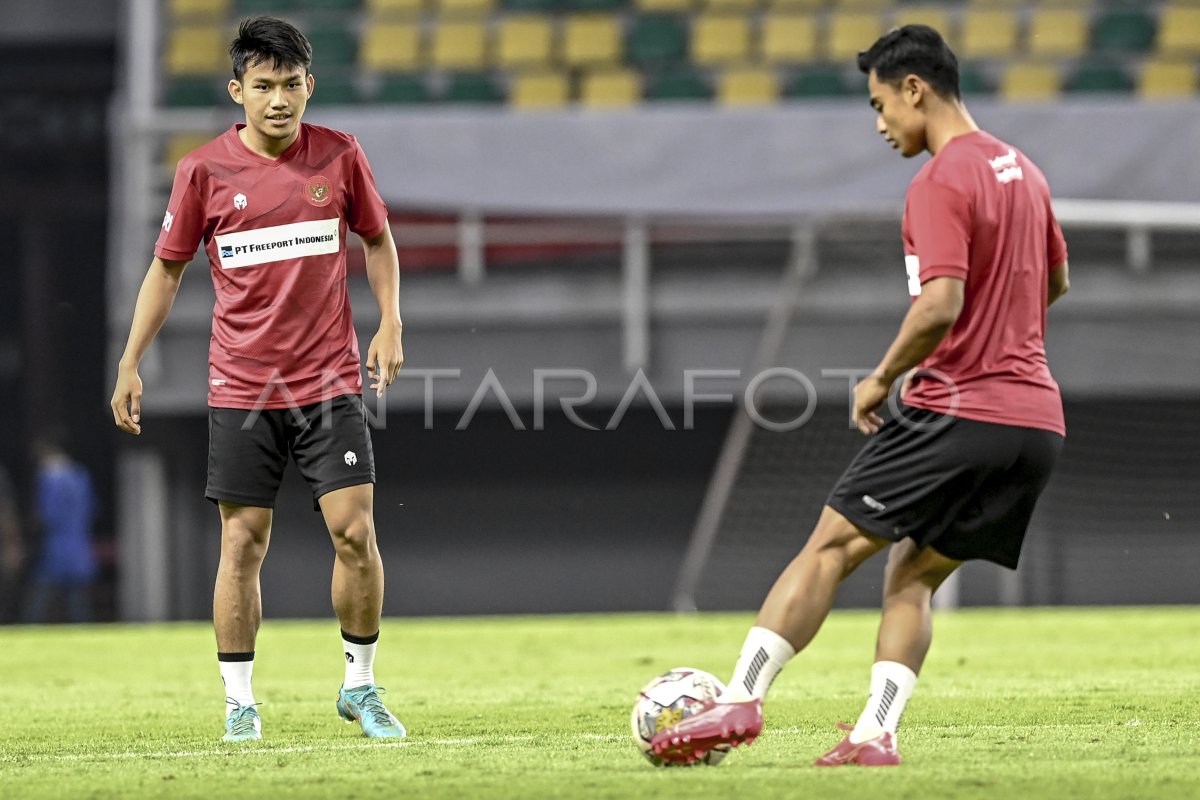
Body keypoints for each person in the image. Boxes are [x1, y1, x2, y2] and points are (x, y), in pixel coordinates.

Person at [652, 25, 1070, 767]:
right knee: (913, 574)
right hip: (1035, 423)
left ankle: (740, 698)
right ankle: (875, 735)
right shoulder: (1027, 172)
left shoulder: (942, 179)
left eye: (880, 105)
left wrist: (881, 376)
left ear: (915, 89)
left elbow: (939, 304)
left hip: (958, 408)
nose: (880, 124)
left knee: (829, 547)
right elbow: (1057, 282)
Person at [110, 17, 406, 743]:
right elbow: (166, 270)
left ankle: (360, 687)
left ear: (311, 86)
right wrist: (129, 361)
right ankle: (240, 703)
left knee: (355, 533)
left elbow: (377, 239)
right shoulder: (202, 172)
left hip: (328, 381)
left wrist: (390, 321)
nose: (279, 99)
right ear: (237, 90)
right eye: (263, 85)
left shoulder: (339, 156)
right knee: (242, 543)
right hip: (243, 390)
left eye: (291, 84)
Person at [23, 437, 99, 624]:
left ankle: (30, 626)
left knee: (42, 592)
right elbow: (92, 509)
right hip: (79, 544)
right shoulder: (81, 475)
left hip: (56, 545)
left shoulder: (49, 478)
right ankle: (81, 630)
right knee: (78, 598)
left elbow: (45, 514)